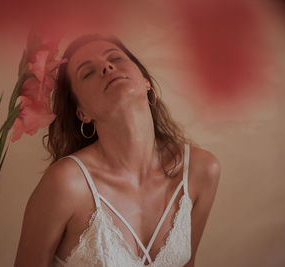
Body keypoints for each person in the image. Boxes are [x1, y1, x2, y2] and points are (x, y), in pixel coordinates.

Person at [14, 34, 220, 267]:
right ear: (82, 112)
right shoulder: (67, 183)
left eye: (115, 59)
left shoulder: (201, 170)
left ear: (145, 82)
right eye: (88, 72)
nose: (107, 66)